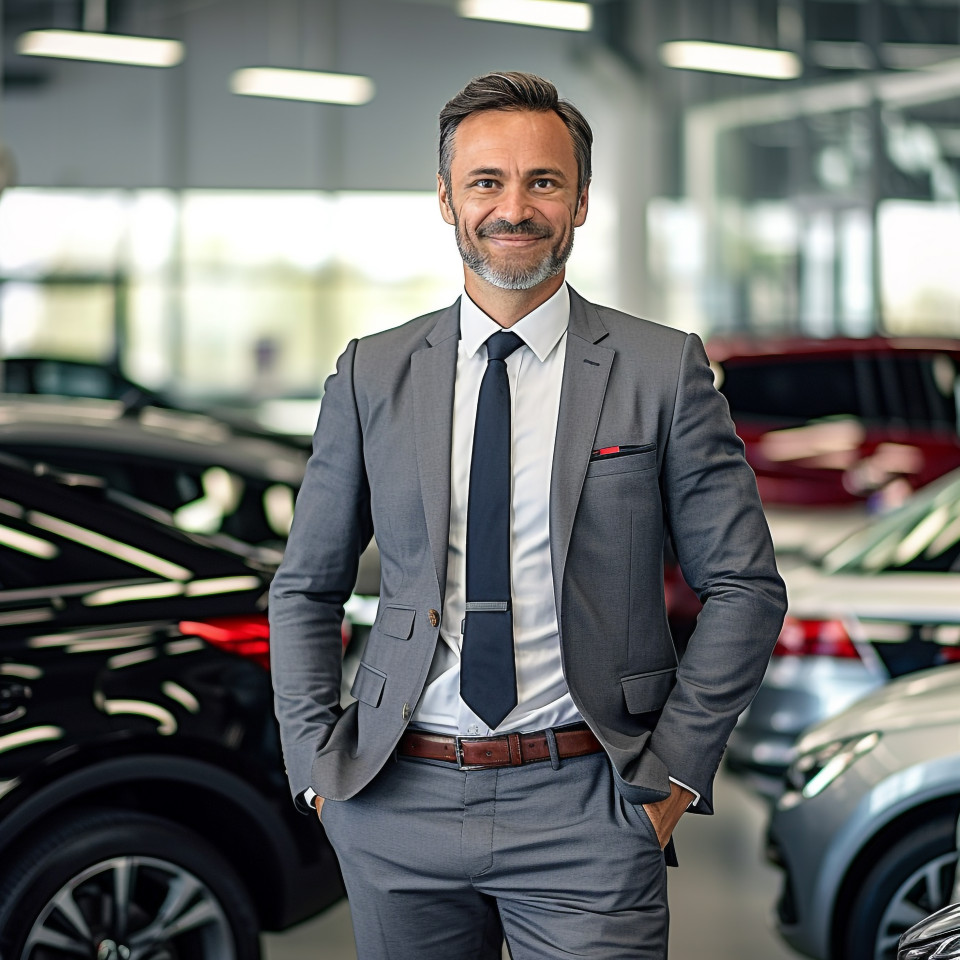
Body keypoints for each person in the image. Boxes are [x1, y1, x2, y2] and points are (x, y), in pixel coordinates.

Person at [270, 70, 787, 960]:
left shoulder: (661, 372)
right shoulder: (372, 374)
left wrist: (671, 779)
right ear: (445, 199)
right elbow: (305, 587)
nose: (515, 208)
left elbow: (744, 587)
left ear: (581, 201)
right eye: (487, 182)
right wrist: (319, 772)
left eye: (543, 182)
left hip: (589, 803)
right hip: (397, 800)